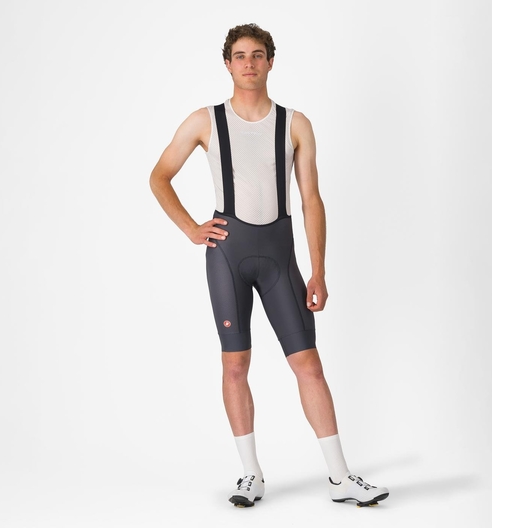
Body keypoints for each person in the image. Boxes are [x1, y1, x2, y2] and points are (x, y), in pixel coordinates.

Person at [149, 23, 389, 508]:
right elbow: (159, 176)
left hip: (280, 257)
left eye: (257, 55)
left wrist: (318, 270)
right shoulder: (205, 121)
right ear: (227, 64)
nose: (249, 63)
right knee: (235, 363)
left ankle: (340, 478)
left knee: (308, 364)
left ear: (271, 62)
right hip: (228, 256)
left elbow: (311, 199)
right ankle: (251, 474)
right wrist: (192, 228)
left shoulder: (295, 124)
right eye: (240, 56)